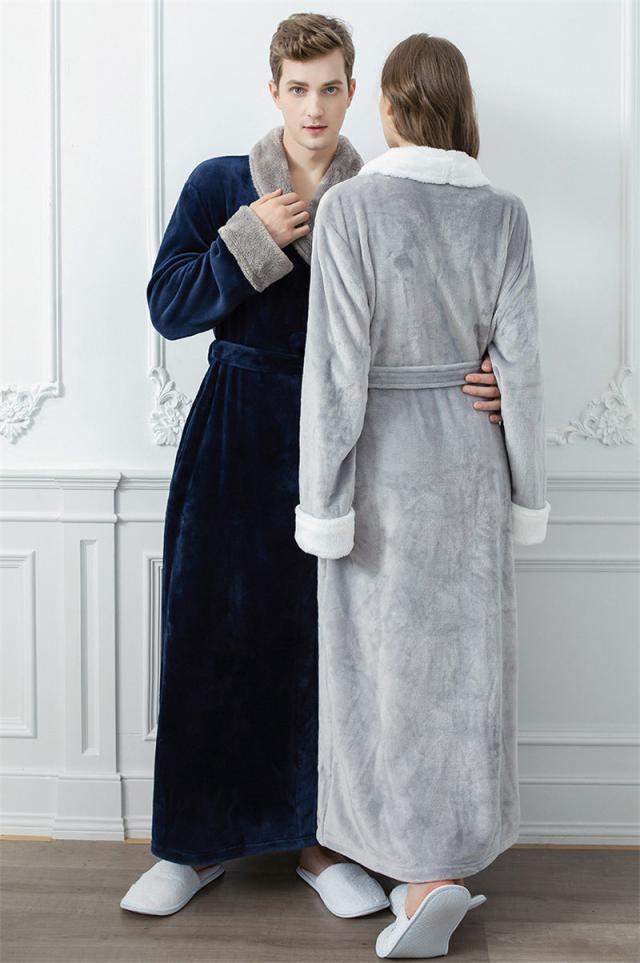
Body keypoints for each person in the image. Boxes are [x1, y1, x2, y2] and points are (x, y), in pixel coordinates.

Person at [120, 15, 505, 921]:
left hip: (349, 439)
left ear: (354, 91)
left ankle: (322, 842)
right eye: (298, 88)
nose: (315, 107)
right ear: (274, 91)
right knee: (209, 631)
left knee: (329, 644)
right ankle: (193, 845)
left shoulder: (380, 196)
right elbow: (168, 306)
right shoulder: (220, 183)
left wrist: (490, 375)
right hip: (235, 431)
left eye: (331, 87)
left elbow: (437, 310)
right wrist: (247, 240)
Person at [294, 31, 551, 959]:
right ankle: (440, 869)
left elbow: (333, 374)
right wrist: (526, 485)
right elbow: (521, 370)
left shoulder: (350, 209)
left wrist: (321, 500)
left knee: (383, 674)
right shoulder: (504, 216)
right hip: (471, 465)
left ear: (390, 108)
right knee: (463, 670)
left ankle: (416, 877)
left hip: (383, 467)